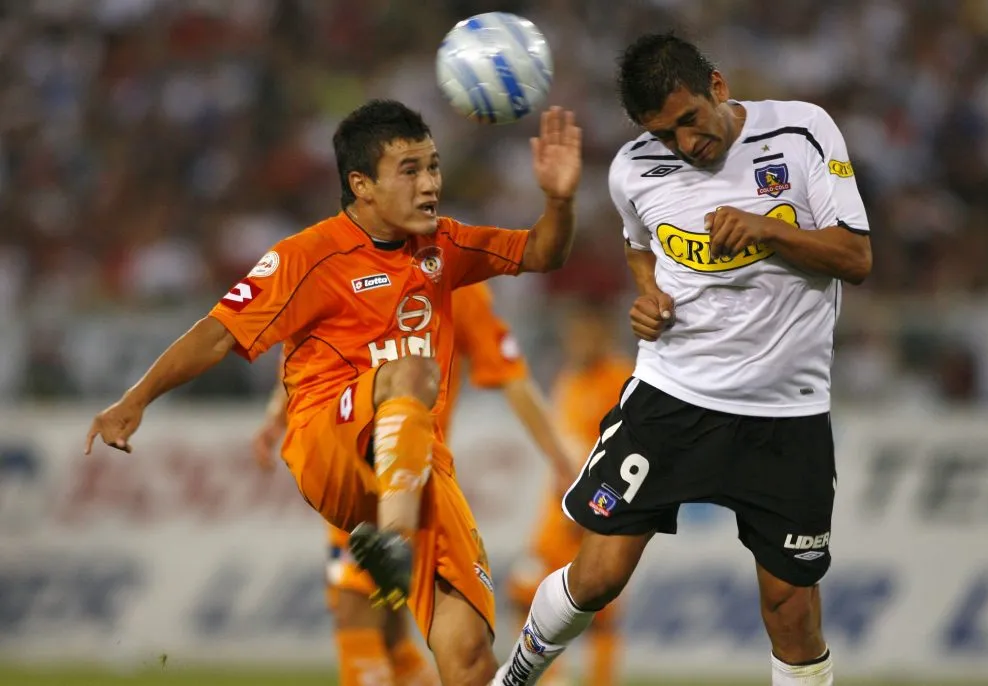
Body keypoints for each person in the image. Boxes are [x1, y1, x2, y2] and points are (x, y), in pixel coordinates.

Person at [85, 99, 582, 686]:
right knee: (412, 369)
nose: (430, 185)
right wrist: (134, 400)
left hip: (418, 467)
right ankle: (391, 544)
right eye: (411, 170)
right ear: (361, 185)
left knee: (470, 654)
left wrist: (559, 199)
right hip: (329, 445)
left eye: (434, 167)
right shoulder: (306, 255)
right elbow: (218, 334)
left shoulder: (445, 246)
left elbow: (542, 252)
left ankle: (396, 548)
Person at [491, 32, 872, 686]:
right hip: (675, 395)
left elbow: (856, 258)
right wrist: (649, 297)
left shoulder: (804, 132)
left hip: (788, 414)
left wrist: (769, 228)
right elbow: (640, 244)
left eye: (689, 121)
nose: (684, 144)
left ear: (718, 88)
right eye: (663, 134)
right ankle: (514, 677)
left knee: (790, 611)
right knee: (597, 576)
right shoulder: (632, 169)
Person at [252, 281, 577, 686]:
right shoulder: (347, 265)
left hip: (418, 479)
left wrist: (561, 460)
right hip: (351, 461)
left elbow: (511, 374)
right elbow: (312, 354)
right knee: (372, 625)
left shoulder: (457, 284)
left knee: (452, 643)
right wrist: (277, 411)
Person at [505, 299, 632, 686]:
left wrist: (598, 509)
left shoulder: (620, 379)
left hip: (590, 514)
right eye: (571, 335)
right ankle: (554, 678)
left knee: (595, 609)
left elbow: (625, 452)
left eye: (584, 334)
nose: (575, 342)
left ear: (603, 335)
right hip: (557, 517)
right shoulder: (569, 380)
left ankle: (586, 679)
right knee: (529, 595)